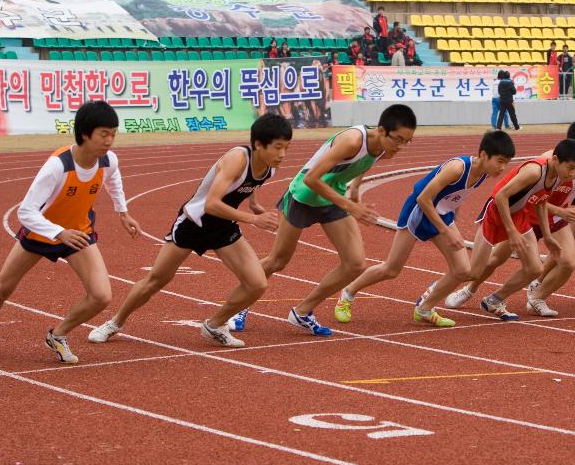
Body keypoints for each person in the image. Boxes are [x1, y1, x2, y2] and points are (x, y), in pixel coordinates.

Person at [0, 102, 140, 362]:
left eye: (114, 134)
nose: (110, 140)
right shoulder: (58, 166)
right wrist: (59, 232)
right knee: (2, 289)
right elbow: (25, 212)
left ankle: (58, 335)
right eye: (104, 134)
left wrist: (123, 212)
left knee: (101, 296)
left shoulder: (108, 160)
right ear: (85, 133)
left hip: (79, 233)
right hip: (41, 234)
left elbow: (113, 180)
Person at [90, 114, 293, 348]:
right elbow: (212, 204)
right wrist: (254, 218)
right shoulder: (237, 158)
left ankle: (215, 325)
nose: (282, 155)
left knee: (257, 283)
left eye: (286, 148)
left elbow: (248, 183)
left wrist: (252, 202)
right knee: (157, 280)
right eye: (278, 148)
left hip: (223, 227)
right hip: (194, 222)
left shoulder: (270, 168)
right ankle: (115, 323)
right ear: (258, 144)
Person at [226, 104, 417, 336]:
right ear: (380, 130)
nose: (401, 146)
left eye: (407, 141)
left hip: (331, 198)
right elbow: (312, 179)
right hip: (303, 196)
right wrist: (351, 206)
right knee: (278, 260)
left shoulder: (384, 148)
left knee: (355, 263)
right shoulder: (353, 141)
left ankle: (303, 311)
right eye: (398, 139)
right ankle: (239, 306)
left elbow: (364, 163)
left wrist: (355, 188)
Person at [335, 130, 514, 328]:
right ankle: (348, 293)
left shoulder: (482, 174)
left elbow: (457, 194)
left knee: (462, 270)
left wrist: (453, 217)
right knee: (391, 269)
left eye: (506, 162)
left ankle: (424, 309)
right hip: (418, 211)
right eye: (500, 161)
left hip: (440, 215)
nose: (503, 168)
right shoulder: (457, 168)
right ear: (483, 155)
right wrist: (446, 231)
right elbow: (423, 198)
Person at [446, 138, 575, 320]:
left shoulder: (558, 176)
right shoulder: (534, 171)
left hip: (519, 215)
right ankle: (449, 289)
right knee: (481, 266)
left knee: (535, 269)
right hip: (496, 213)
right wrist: (512, 231)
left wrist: (547, 236)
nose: (574, 173)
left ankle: (494, 300)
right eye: (570, 168)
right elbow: (501, 196)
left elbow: (541, 202)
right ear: (555, 160)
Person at [525, 119, 575, 317]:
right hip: (528, 214)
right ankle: (469, 289)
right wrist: (560, 211)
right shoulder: (547, 161)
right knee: (494, 259)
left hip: (556, 218)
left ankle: (537, 298)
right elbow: (532, 198)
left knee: (568, 262)